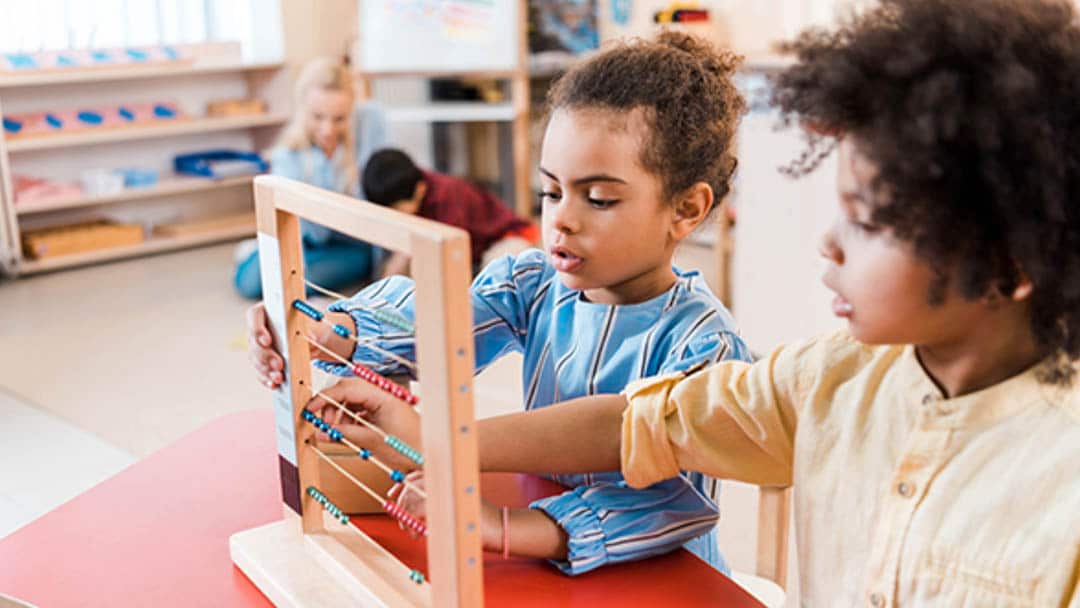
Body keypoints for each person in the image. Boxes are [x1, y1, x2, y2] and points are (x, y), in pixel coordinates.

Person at [314, 1, 1080, 604]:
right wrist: (359, 353)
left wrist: (489, 495)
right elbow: (643, 423)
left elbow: (666, 485)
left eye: (870, 222)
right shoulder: (827, 382)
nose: (829, 245)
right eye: (552, 193)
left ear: (1005, 264)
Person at [253, 32, 751, 575]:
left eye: (599, 199)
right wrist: (333, 328)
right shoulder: (535, 284)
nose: (561, 218)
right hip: (554, 571)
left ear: (685, 209)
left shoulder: (707, 346)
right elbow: (436, 325)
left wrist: (501, 521)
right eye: (551, 191)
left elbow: (656, 483)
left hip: (664, 581)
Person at [233, 56, 387, 299]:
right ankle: (263, 255)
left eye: (339, 119)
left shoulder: (370, 124)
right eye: (318, 117)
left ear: (352, 112)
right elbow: (287, 218)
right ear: (303, 109)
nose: (328, 129)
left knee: (303, 280)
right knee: (249, 282)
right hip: (309, 238)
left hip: (354, 242)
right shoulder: (288, 153)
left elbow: (384, 191)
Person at [361, 147, 538, 277]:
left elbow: (454, 258)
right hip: (470, 250)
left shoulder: (447, 197)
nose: (396, 216)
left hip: (505, 237)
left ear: (420, 190)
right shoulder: (404, 191)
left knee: (498, 274)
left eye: (398, 210)